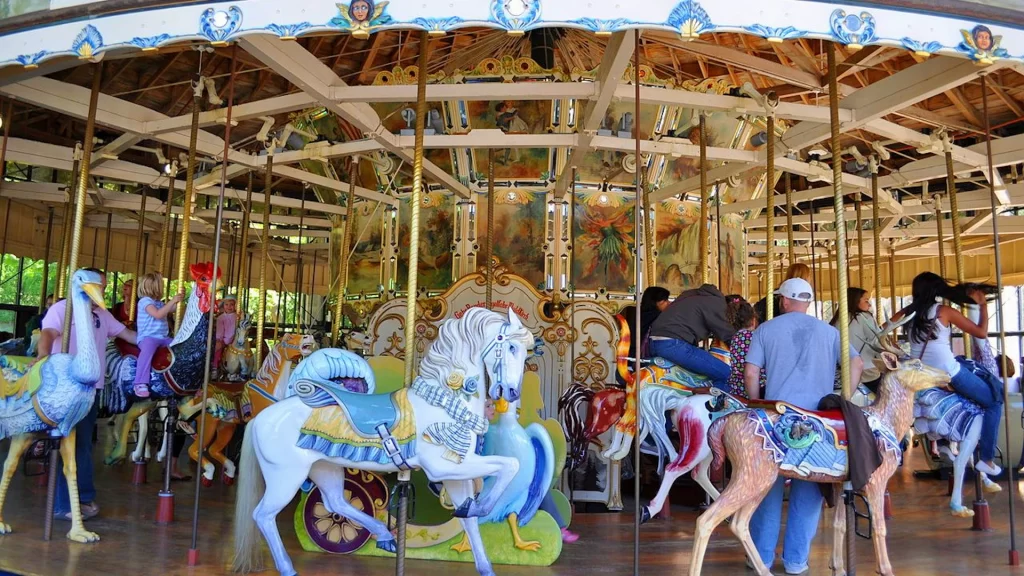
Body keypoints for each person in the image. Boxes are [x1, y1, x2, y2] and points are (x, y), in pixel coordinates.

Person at [744, 277, 863, 575]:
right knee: (809, 490)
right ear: (807, 302)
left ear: (783, 301)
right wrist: (843, 399)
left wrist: (757, 405)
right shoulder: (830, 332)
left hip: (777, 418)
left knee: (767, 489)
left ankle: (761, 558)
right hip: (817, 421)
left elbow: (751, 373)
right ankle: (796, 561)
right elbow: (857, 364)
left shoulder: (765, 330)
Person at [37, 267, 137, 522]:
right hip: (65, 388)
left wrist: (161, 341)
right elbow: (48, 333)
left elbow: (128, 335)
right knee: (67, 444)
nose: (101, 290)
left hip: (90, 390)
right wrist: (42, 358)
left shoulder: (102, 314)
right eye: (97, 285)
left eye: (103, 287)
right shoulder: (63, 309)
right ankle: (63, 503)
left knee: (82, 444)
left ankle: (83, 496)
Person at [898, 272, 1002, 477]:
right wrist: (983, 306)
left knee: (968, 366)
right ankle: (987, 459)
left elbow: (883, 329)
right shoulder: (943, 311)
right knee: (994, 401)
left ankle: (944, 443)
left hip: (922, 374)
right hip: (947, 372)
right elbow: (980, 333)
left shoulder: (908, 312)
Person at [647, 283, 735, 390]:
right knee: (726, 374)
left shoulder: (689, 295)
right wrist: (742, 346)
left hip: (654, 343)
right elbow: (726, 333)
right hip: (674, 344)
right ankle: (718, 400)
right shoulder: (718, 304)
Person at [133, 272, 183, 398]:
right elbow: (158, 314)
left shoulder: (158, 303)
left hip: (163, 338)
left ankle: (177, 377)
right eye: (161, 286)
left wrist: (179, 300)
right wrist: (172, 301)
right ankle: (140, 382)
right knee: (147, 352)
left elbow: (172, 309)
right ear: (154, 287)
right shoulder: (145, 302)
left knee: (178, 346)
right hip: (148, 337)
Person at [831, 287, 884, 392]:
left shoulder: (837, 320)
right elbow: (879, 342)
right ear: (855, 301)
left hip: (844, 371)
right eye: (866, 301)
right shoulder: (865, 318)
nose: (869, 304)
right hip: (866, 370)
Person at [617, 286, 671, 371]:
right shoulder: (658, 317)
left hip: (630, 358)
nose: (669, 303)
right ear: (657, 302)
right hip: (645, 360)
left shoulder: (637, 314)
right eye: (665, 300)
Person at [724, 295, 763, 398]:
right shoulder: (754, 337)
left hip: (737, 387)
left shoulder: (735, 338)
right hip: (755, 386)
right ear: (753, 320)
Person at [215, 295, 239, 374]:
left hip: (236, 340)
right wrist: (220, 339)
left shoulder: (237, 317)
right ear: (223, 306)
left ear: (235, 306)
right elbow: (220, 331)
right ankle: (215, 367)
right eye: (226, 304)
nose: (229, 307)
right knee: (217, 347)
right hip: (224, 340)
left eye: (232, 304)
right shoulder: (220, 318)